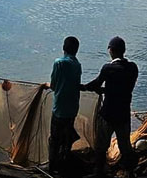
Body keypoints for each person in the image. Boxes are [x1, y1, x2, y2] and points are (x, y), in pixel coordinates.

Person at [82, 36, 139, 177]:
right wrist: (105, 90)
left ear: (111, 50)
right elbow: (121, 88)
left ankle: (99, 172)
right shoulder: (133, 68)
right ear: (124, 50)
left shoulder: (108, 68)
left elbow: (96, 83)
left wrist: (83, 87)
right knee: (125, 145)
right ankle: (129, 172)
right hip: (124, 113)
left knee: (101, 146)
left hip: (108, 113)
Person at [44, 36, 83, 174]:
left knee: (54, 139)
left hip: (60, 108)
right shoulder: (77, 65)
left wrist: (47, 85)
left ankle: (52, 167)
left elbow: (54, 85)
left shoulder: (59, 63)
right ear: (76, 51)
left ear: (63, 48)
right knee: (66, 138)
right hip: (73, 108)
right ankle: (64, 162)